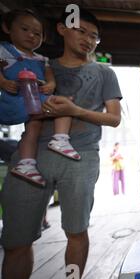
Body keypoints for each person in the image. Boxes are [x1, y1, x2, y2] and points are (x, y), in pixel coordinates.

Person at [0, 8, 122, 279]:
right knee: (17, 240)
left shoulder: (104, 72)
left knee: (77, 232)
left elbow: (114, 118)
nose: (88, 39)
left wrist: (75, 111)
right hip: (31, 156)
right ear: (61, 29)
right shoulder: (40, 63)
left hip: (81, 156)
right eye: (81, 31)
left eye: (94, 36)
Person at [0, 9, 81, 188]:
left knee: (34, 127)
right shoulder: (4, 51)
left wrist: (50, 85)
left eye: (37, 33)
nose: (31, 35)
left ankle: (26, 164)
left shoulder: (41, 58)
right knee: (63, 104)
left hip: (34, 98)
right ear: (7, 28)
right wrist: (4, 82)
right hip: (15, 100)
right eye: (25, 29)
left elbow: (50, 78)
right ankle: (60, 138)